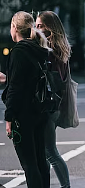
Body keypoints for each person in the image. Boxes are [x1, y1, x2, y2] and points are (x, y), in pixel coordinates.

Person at [2, 11, 51, 188]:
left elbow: (16, 89)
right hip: (39, 112)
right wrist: (8, 78)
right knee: (40, 162)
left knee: (29, 165)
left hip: (23, 115)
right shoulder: (38, 49)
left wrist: (8, 117)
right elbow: (27, 80)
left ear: (14, 27)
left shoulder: (18, 52)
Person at [36, 11, 72, 188]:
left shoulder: (48, 48)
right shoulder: (60, 47)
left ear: (49, 27)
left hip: (49, 105)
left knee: (50, 152)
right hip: (56, 104)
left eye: (40, 25)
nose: (36, 28)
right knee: (47, 151)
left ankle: (66, 186)